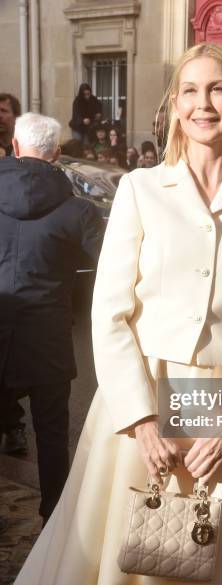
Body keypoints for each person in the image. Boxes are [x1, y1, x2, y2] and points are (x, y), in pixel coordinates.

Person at [14, 43, 222, 585]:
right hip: (145, 398)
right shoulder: (140, 189)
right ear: (174, 105)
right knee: (123, 562)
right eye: (189, 90)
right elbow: (109, 311)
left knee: (217, 564)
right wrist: (140, 420)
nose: (203, 103)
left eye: (217, 89)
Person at [0, 113, 105, 524]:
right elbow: (117, 268)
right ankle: (56, 528)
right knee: (53, 440)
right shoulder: (80, 210)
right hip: (48, 339)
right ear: (57, 154)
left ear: (13, 147)